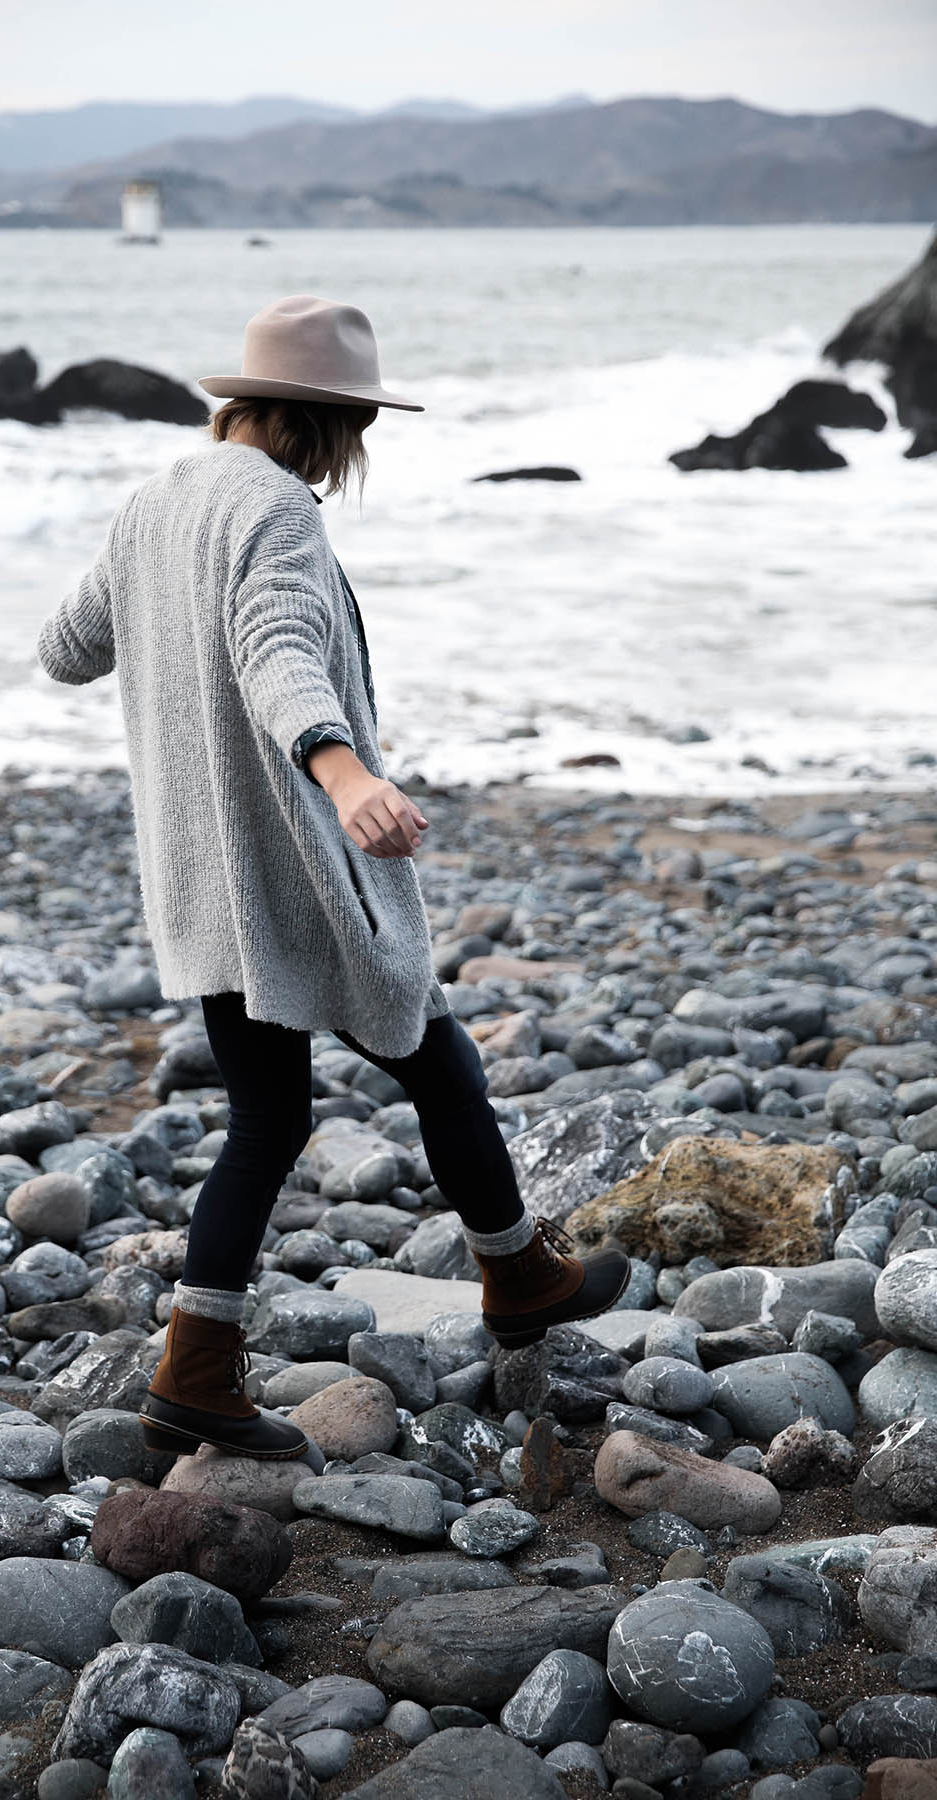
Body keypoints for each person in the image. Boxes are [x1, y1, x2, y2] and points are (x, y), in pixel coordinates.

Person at [36, 293, 630, 1462]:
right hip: (294, 869)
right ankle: (516, 1278)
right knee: (434, 1045)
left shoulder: (156, 503)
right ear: (336, 424)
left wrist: (158, 607)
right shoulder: (276, 514)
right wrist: (344, 771)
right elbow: (279, 651)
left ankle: (196, 1369)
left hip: (205, 883)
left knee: (268, 1118)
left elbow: (65, 649)